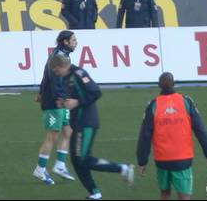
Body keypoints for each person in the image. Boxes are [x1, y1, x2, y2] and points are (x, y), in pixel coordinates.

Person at [50, 54, 134, 200]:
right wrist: (64, 102)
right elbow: (76, 96)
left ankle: (123, 168)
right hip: (78, 123)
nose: (55, 73)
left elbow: (96, 92)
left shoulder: (79, 74)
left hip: (86, 122)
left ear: (62, 66)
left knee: (83, 159)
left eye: (56, 70)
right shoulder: (67, 77)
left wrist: (77, 102)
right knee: (76, 160)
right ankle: (94, 193)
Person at [136, 72, 207, 200]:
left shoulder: (153, 105)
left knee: (165, 194)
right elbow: (200, 129)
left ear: (159, 85)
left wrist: (142, 161)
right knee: (184, 196)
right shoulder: (186, 101)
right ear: (174, 84)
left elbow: (145, 135)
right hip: (182, 159)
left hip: (162, 160)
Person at [34, 30, 78, 184]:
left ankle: (60, 165)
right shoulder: (58, 56)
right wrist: (61, 98)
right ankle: (40, 169)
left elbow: (46, 75)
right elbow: (54, 79)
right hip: (55, 101)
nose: (76, 42)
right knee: (52, 136)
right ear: (65, 41)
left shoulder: (62, 55)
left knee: (68, 131)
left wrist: (41, 92)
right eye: (73, 40)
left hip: (60, 100)